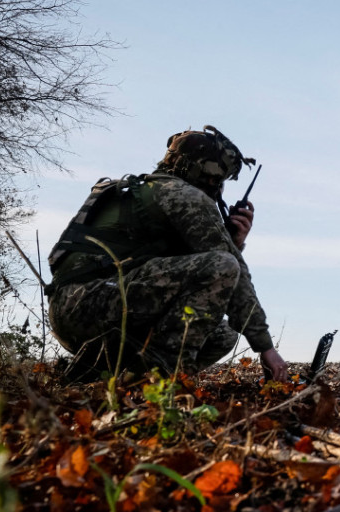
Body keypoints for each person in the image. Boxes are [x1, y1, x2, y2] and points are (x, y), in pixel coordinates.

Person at [45, 126, 288, 381]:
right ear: (204, 172)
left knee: (222, 335)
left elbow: (183, 277)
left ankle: (116, 379)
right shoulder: (182, 194)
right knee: (224, 265)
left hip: (75, 310)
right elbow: (227, 272)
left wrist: (233, 243)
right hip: (95, 305)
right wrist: (266, 348)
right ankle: (164, 383)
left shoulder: (142, 190)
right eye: (219, 180)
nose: (220, 189)